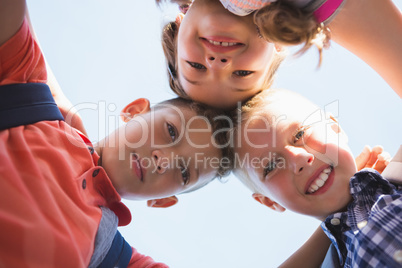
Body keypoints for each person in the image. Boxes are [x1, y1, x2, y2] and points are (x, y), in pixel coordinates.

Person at [0, 0, 234, 267]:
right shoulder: (28, 92)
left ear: (161, 201)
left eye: (183, 172)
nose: (163, 159)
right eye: (170, 131)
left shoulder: (115, 259)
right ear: (134, 111)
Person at [232, 88, 401, 267]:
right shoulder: (335, 260)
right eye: (271, 166)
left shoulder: (396, 176)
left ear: (334, 128)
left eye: (299, 134)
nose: (299, 160)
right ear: (269, 201)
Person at [157, 0, 402, 110]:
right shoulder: (325, 6)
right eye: (242, 74)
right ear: (278, 48)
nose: (218, 64)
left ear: (178, 27)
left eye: (195, 67)